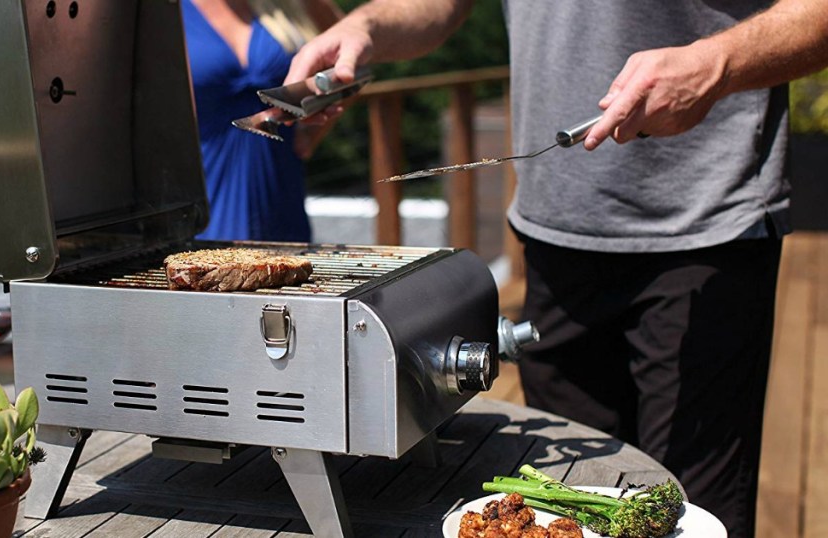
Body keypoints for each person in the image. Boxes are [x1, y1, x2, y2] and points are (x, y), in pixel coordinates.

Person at [283, 2, 828, 537]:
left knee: (694, 512)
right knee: (570, 506)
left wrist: (718, 63)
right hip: (550, 242)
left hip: (707, 234)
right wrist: (365, 25)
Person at [183, 0, 342, 242]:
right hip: (199, 188)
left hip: (280, 188)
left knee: (286, 268)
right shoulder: (159, 10)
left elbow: (349, 57)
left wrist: (310, 133)